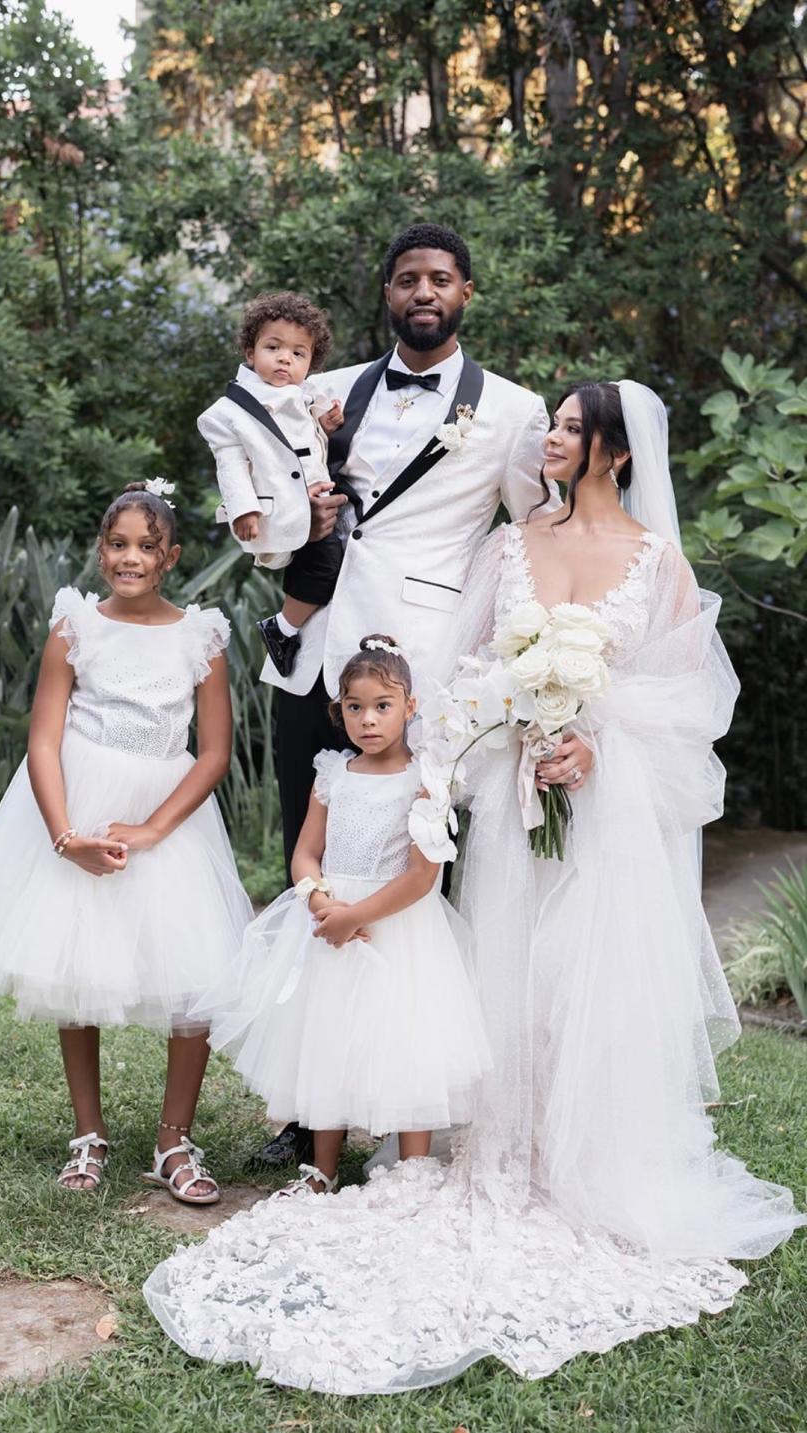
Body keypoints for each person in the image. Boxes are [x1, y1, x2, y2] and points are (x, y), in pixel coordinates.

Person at [140, 382, 804, 1393]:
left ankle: (584, 1160)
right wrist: (508, 728)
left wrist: (591, 733)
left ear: (615, 455)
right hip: (505, 798)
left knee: (583, 978)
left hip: (604, 814)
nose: (552, 436)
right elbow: (462, 675)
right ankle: (498, 1146)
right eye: (555, 423)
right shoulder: (510, 546)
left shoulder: (656, 562)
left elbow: (691, 701)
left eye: (573, 428)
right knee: (506, 970)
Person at [249, 220, 562, 1171]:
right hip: (320, 650)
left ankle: (417, 1099)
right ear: (386, 294)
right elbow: (272, 492)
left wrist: (529, 659)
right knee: (316, 843)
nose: (422, 292)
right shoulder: (326, 392)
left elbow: (527, 534)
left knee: (422, 874)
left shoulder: (511, 409)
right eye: (405, 279)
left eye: (440, 279)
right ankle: (312, 1109)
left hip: (425, 667)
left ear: (466, 292)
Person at [0, 481, 253, 1201]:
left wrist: (151, 827)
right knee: (77, 966)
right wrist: (65, 836)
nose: (131, 557)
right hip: (78, 811)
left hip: (167, 819)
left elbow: (213, 752)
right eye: (118, 544)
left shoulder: (200, 636)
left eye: (148, 546)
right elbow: (45, 737)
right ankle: (89, 1134)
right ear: (100, 548)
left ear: (172, 555)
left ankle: (174, 1141)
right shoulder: (74, 624)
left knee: (193, 982)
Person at [202, 635, 490, 1196]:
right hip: (333, 929)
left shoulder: (427, 780)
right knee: (326, 1040)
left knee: (409, 1042)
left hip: (399, 928)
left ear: (410, 708)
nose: (368, 719)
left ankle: (411, 1173)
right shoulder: (334, 774)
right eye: (354, 707)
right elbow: (307, 852)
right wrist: (320, 902)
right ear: (340, 712)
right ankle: (321, 1170)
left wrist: (355, 913)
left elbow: (421, 876)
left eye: (383, 705)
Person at [197, 291, 345, 679]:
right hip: (279, 509)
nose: (285, 359)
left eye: (298, 354)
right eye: (273, 347)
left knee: (323, 564)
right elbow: (230, 465)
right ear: (250, 351)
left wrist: (323, 426)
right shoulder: (231, 413)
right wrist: (245, 509)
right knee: (325, 565)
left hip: (316, 497)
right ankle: (282, 628)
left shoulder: (302, 395)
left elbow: (302, 435)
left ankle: (288, 626)